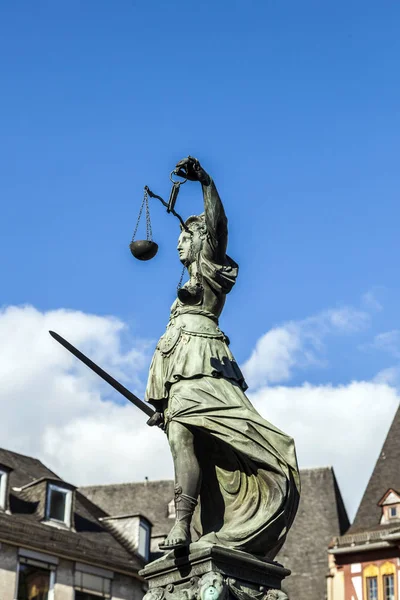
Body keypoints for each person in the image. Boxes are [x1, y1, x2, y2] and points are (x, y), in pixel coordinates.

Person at [146, 157, 300, 558]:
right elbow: (170, 349)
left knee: (214, 440)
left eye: (185, 236)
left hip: (209, 366)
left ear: (200, 242)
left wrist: (205, 182)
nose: (178, 242)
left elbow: (219, 225)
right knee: (181, 438)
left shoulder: (211, 268)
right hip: (178, 369)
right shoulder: (177, 301)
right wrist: (161, 400)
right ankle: (182, 522)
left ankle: (198, 519)